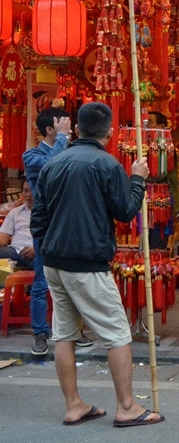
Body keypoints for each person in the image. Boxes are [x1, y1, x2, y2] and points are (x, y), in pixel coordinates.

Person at [31, 102, 165, 427]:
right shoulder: (108, 164)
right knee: (117, 333)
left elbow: (39, 218)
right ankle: (127, 407)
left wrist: (50, 247)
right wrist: (137, 178)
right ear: (110, 132)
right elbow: (126, 211)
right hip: (86, 262)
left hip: (54, 261)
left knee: (64, 333)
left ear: (77, 130)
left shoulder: (53, 164)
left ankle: (74, 405)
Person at [23, 106, 87, 355]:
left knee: (73, 280)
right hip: (47, 225)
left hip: (69, 222)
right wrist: (62, 139)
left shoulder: (69, 149)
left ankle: (73, 331)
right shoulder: (32, 156)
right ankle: (40, 333)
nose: (68, 131)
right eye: (63, 126)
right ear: (49, 129)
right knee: (42, 282)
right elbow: (54, 167)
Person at [145, 112, 179, 250]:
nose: (147, 126)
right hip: (146, 199)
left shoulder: (167, 149)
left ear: (160, 126)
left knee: (157, 240)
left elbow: (168, 177)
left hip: (160, 200)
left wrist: (175, 205)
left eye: (150, 122)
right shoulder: (146, 144)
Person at [0, 180, 35, 268]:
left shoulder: (49, 213)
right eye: (25, 190)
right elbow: (3, 240)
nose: (28, 195)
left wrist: (38, 248)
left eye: (32, 190)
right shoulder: (15, 212)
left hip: (38, 253)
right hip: (15, 251)